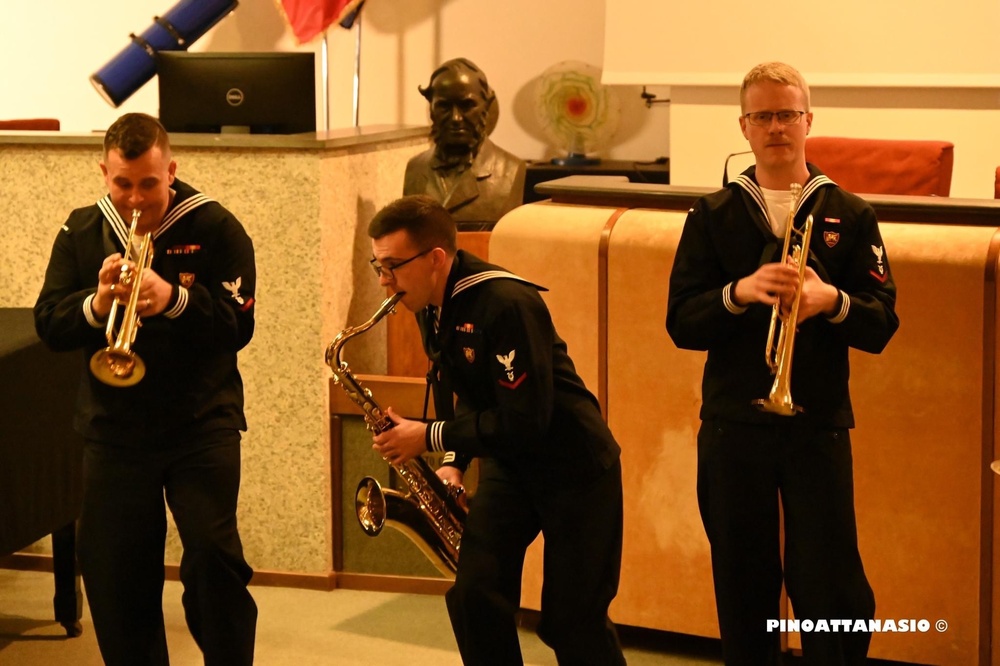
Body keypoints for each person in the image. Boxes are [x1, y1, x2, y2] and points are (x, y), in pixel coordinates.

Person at [666, 62, 899, 665]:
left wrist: (832, 301)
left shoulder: (850, 213)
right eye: (763, 116)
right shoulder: (711, 214)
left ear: (809, 121)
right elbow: (681, 322)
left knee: (831, 585)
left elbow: (881, 323)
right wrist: (739, 293)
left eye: (788, 114)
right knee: (742, 582)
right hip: (732, 423)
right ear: (743, 126)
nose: (777, 127)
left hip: (816, 421)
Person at [34, 112, 257, 665]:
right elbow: (48, 322)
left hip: (201, 422)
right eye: (123, 184)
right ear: (104, 173)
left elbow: (240, 326)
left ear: (171, 171)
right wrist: (99, 304)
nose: (136, 200)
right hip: (114, 429)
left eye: (149, 184)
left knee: (212, 561)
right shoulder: (82, 229)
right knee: (115, 573)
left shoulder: (215, 227)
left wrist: (175, 299)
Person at [367, 194, 625, 665]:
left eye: (392, 267)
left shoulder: (506, 304)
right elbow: (467, 391)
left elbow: (525, 421)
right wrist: (453, 464)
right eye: (378, 266)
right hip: (512, 467)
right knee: (474, 596)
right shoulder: (428, 304)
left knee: (572, 622)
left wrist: (428, 437)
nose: (385, 281)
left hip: (575, 469)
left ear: (435, 259)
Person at [403, 58, 526, 226]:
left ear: (486, 107)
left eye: (467, 105)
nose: (456, 118)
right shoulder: (415, 168)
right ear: (431, 108)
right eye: (444, 106)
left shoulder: (509, 170)